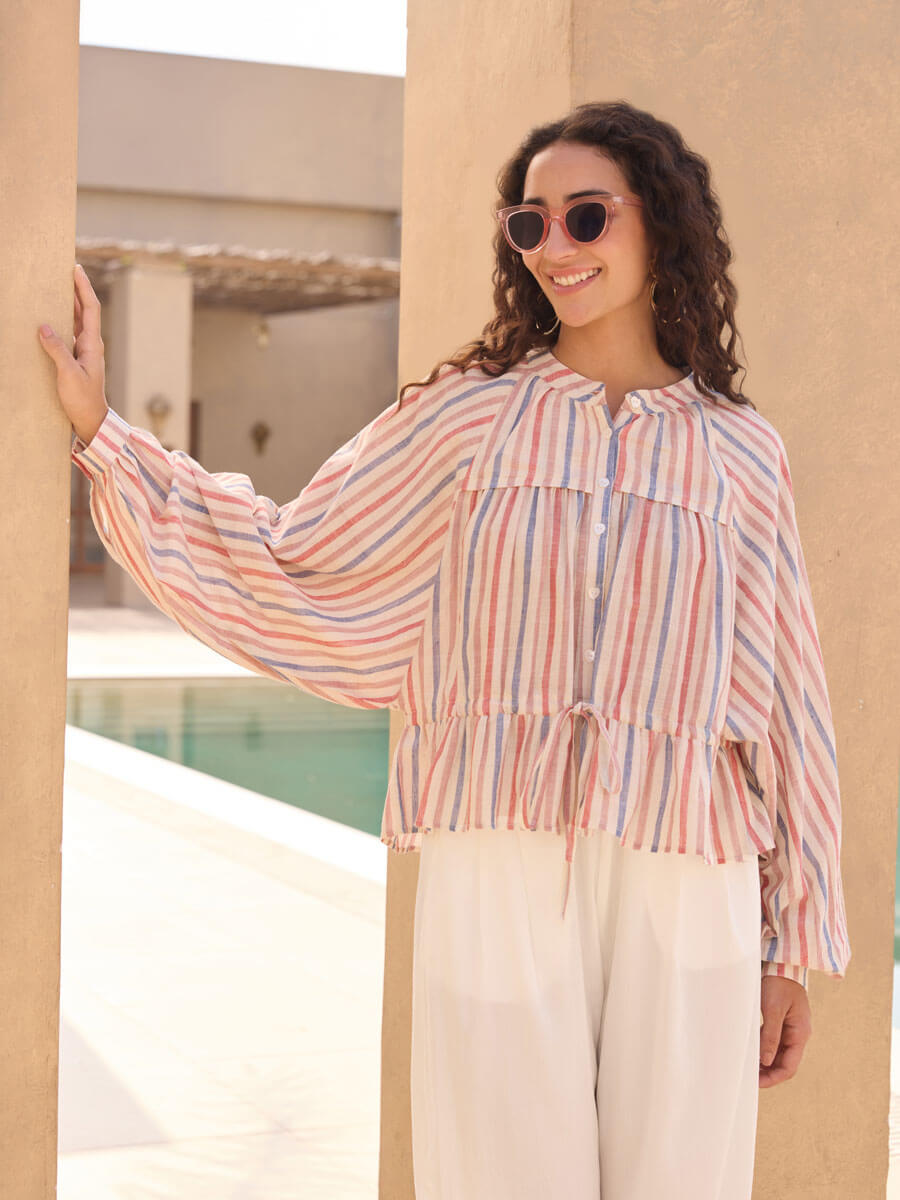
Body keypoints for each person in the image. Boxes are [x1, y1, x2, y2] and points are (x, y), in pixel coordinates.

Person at [40, 98, 850, 1200]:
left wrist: (788, 945)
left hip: (687, 869)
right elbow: (296, 555)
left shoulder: (743, 452)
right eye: (530, 224)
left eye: (587, 216)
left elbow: (790, 699)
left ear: (660, 222)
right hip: (495, 858)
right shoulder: (468, 420)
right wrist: (108, 437)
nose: (555, 246)